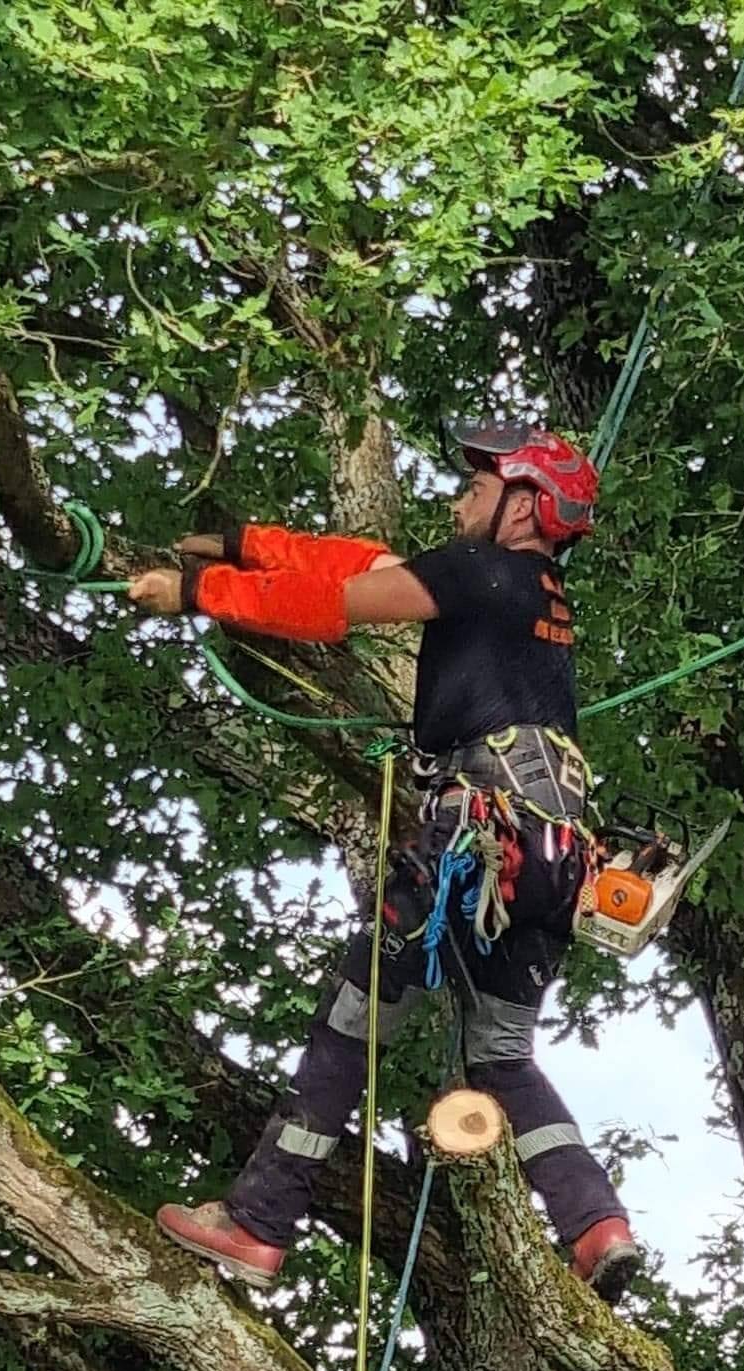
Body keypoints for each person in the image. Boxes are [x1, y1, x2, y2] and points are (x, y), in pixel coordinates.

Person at [127, 421, 642, 1303]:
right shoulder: (524, 592)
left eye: (477, 488)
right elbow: (359, 562)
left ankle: (257, 1223)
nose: (458, 499)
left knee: (351, 1023)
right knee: (504, 1056)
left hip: (476, 844)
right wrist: (248, 544)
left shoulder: (483, 570)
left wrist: (200, 590)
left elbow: (337, 606)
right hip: (557, 863)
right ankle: (598, 1225)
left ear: (524, 507)